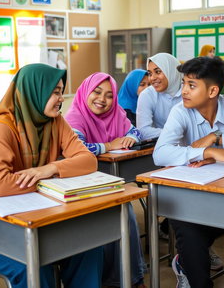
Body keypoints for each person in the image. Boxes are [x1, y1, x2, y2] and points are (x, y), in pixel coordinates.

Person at [0, 63, 103, 288]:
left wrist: (49, 169)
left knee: (88, 247)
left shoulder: (56, 122)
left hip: (39, 218)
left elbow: (88, 159)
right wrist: (49, 182)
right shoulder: (1, 128)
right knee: (34, 264)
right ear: (35, 90)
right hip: (1, 229)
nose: (61, 98)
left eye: (61, 92)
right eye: (55, 92)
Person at [153, 56, 224, 288]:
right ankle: (190, 268)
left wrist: (218, 137)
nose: (184, 90)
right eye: (184, 83)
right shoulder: (180, 111)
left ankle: (189, 259)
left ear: (213, 90)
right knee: (189, 230)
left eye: (191, 85)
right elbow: (160, 153)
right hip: (188, 194)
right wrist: (209, 152)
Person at [65, 72, 146, 288]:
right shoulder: (74, 117)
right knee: (109, 214)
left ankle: (131, 277)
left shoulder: (117, 113)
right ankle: (111, 278)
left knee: (124, 211)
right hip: (78, 184)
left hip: (105, 182)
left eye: (109, 95)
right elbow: (79, 150)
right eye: (97, 92)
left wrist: (130, 138)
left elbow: (135, 131)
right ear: (85, 92)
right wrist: (109, 146)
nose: (102, 99)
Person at [136, 53, 182, 140]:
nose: (152, 78)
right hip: (162, 145)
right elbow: (143, 131)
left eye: (158, 72)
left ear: (171, 71)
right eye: (150, 73)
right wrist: (177, 134)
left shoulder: (189, 91)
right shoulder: (147, 95)